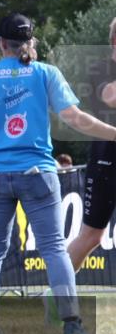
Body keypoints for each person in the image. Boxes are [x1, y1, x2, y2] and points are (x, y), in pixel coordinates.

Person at [0, 13, 116, 334]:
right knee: (53, 247)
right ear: (32, 42)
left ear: (0, 43)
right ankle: (71, 322)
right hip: (38, 172)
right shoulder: (46, 73)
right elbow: (75, 118)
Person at [66, 16, 116, 277]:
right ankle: (54, 294)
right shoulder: (101, 69)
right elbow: (110, 98)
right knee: (92, 236)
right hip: (106, 162)